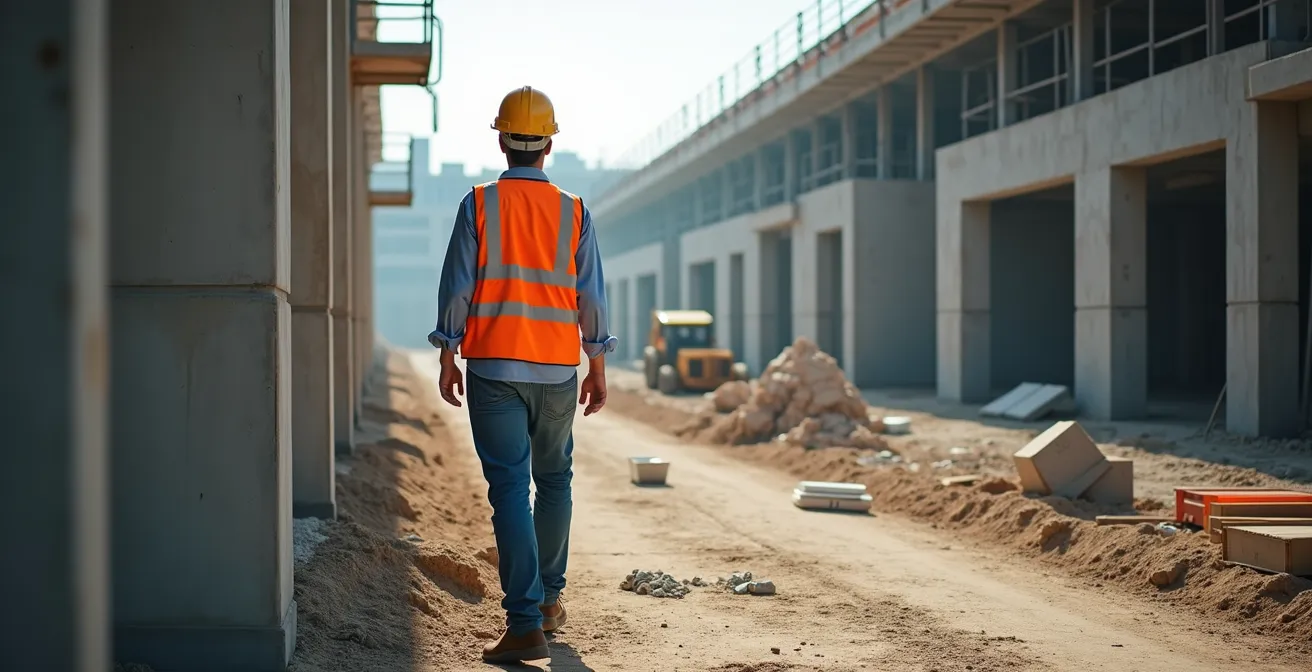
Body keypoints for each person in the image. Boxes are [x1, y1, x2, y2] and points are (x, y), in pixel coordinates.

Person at [428, 85, 616, 664]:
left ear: (502, 141)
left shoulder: (478, 204)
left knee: (510, 489)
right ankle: (550, 602)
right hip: (558, 370)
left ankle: (525, 623)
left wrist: (448, 351)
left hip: (494, 369)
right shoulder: (574, 210)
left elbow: (457, 286)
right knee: (555, 481)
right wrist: (597, 364)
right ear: (549, 146)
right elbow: (591, 296)